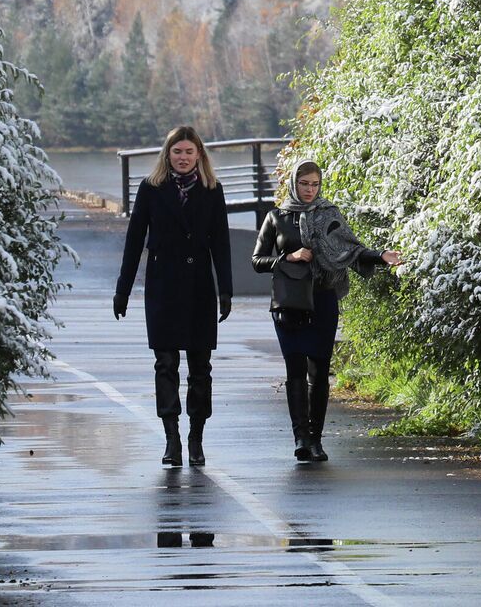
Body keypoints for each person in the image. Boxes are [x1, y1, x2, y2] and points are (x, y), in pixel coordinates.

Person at [251, 160, 401, 461]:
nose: (309, 190)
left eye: (314, 184)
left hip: (322, 300)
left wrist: (380, 256)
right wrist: (288, 256)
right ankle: (301, 439)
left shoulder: (330, 214)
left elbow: (351, 249)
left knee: (319, 373)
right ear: (294, 183)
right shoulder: (277, 217)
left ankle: (316, 440)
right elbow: (257, 261)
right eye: (304, 184)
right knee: (294, 371)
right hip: (290, 303)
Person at [115, 126, 233, 467]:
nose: (183, 158)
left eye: (189, 152)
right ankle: (172, 439)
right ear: (167, 155)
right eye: (177, 152)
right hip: (163, 286)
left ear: (199, 155)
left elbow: (221, 243)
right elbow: (134, 241)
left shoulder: (212, 190)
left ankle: (196, 438)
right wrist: (122, 291)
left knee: (200, 368)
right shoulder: (151, 189)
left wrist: (225, 289)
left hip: (198, 287)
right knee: (165, 364)